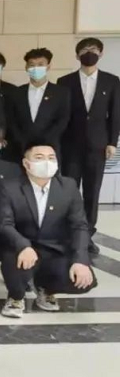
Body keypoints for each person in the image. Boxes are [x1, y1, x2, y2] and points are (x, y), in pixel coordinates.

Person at [0, 141, 97, 318]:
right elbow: (4, 223)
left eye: (51, 158)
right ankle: (15, 297)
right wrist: (23, 245)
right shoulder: (10, 187)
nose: (47, 162)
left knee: (83, 281)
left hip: (54, 248)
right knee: (15, 265)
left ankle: (46, 289)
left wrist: (81, 260)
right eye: (39, 158)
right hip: (22, 248)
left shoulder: (68, 186)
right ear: (26, 163)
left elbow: (79, 226)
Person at [59, 37, 120, 255]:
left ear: (101, 53)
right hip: (70, 146)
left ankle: (87, 235)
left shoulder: (111, 81)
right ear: (77, 55)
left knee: (92, 192)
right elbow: (62, 115)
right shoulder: (64, 81)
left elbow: (115, 114)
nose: (89, 52)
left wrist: (112, 142)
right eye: (84, 49)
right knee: (70, 191)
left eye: (93, 49)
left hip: (98, 146)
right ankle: (70, 233)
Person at [6, 48, 70, 160]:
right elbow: (11, 120)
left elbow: (63, 119)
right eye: (32, 65)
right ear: (26, 67)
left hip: (50, 148)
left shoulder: (61, 92)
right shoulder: (16, 92)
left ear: (48, 66)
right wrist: (22, 140)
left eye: (40, 64)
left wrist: (45, 141)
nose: (36, 68)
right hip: (21, 149)